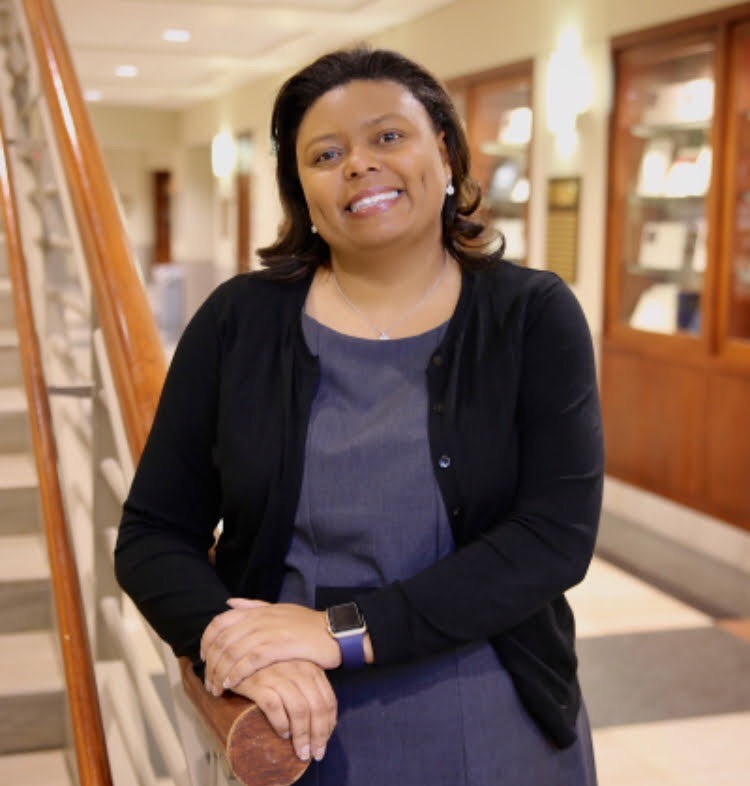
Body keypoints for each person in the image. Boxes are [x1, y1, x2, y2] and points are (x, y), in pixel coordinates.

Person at [115, 46, 604, 786]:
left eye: (388, 136)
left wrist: (336, 631)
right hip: (290, 720)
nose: (359, 165)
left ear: (444, 154)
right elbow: (153, 535)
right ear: (301, 192)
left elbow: (553, 539)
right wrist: (232, 641)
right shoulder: (238, 322)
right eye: (326, 154)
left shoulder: (530, 315)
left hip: (490, 711)